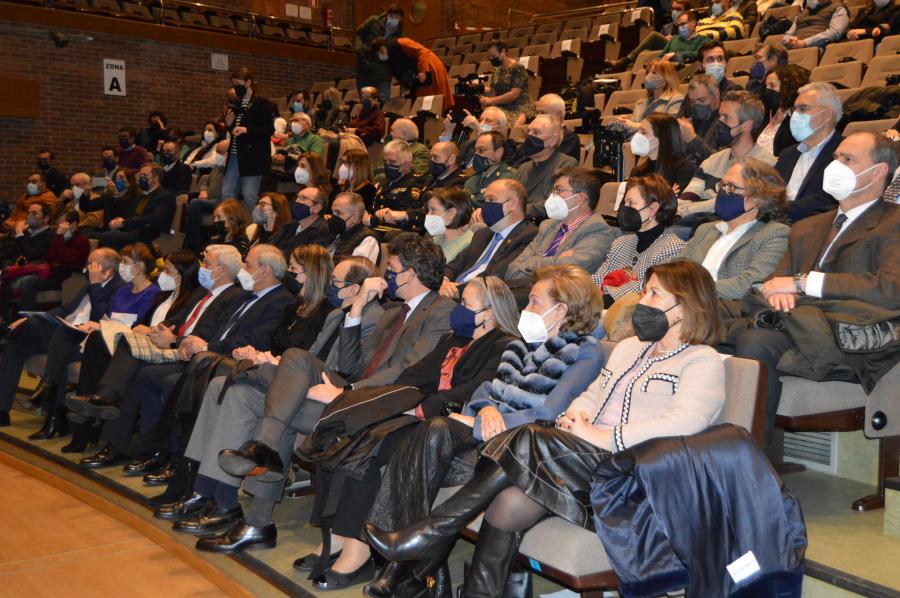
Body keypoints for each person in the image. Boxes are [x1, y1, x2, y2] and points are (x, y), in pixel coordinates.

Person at [365, 260, 726, 596]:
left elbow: (683, 423)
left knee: (530, 434)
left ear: (685, 305)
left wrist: (598, 435)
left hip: (633, 473)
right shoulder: (630, 348)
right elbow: (592, 394)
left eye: (654, 294)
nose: (643, 301)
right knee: (508, 502)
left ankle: (431, 531)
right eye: (645, 291)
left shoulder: (702, 361)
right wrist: (578, 418)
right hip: (579, 459)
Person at [197, 235, 456, 554]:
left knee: (281, 407)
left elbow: (407, 369)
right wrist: (357, 308)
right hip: (353, 396)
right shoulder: (393, 313)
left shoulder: (441, 311)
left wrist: (346, 393)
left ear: (411, 273)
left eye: (391, 268)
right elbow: (353, 364)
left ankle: (258, 520)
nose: (386, 274)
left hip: (378, 408)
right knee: (294, 357)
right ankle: (263, 451)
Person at [364, 264, 609, 595]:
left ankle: (403, 574)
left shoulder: (585, 351)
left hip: (521, 452)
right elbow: (484, 391)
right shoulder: (521, 344)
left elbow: (550, 412)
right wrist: (490, 408)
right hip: (489, 437)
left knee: (434, 435)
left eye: (534, 301)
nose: (525, 310)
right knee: (433, 429)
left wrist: (486, 423)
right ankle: (411, 573)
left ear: (561, 310)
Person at [299, 277, 519, 589]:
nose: (459, 311)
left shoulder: (503, 345)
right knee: (355, 436)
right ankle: (337, 534)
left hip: (451, 426)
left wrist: (418, 408)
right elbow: (415, 375)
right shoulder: (454, 339)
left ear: (489, 313)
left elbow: (473, 390)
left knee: (374, 448)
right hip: (417, 413)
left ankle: (359, 551)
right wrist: (402, 400)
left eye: (467, 305)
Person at [161, 256, 382, 547]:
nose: (329, 286)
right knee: (224, 386)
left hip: (331, 396)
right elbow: (313, 356)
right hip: (303, 385)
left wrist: (355, 311)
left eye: (336, 283)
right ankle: (211, 494)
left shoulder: (375, 317)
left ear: (356, 289)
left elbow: (350, 368)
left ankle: (248, 488)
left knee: (259, 380)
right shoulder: (333, 315)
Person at [731, 132, 899, 450]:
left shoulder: (894, 223)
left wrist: (803, 283)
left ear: (878, 172)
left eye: (848, 160)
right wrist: (778, 291)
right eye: (835, 157)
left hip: (848, 335)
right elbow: (776, 282)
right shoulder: (807, 226)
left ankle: (750, 469)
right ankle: (700, 453)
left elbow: (891, 288)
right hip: (792, 323)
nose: (835, 165)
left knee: (756, 340)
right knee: (702, 322)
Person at [72, 244, 296, 470]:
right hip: (201, 351)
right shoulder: (244, 295)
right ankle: (126, 440)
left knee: (160, 377)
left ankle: (168, 454)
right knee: (141, 369)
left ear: (265, 271)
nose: (244, 269)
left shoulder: (279, 300)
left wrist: (195, 344)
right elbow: (212, 325)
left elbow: (256, 339)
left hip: (225, 362)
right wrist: (182, 339)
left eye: (248, 265)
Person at [27, 242, 160, 440]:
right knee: (64, 341)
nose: (121, 266)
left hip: (123, 345)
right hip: (102, 337)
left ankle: (53, 399)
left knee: (69, 352)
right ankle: (59, 414)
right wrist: (99, 325)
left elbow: (137, 324)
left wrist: (96, 288)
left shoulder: (151, 292)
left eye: (125, 262)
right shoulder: (124, 291)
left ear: (139, 266)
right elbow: (106, 317)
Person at [0, 248, 124, 427]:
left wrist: (96, 285)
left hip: (81, 341)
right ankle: (3, 412)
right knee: (16, 346)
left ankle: (6, 332)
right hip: (62, 332)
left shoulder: (118, 289)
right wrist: (30, 316)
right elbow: (67, 310)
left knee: (26, 331)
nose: (87, 268)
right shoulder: (88, 284)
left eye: (93, 265)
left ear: (109, 271)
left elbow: (101, 318)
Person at [680, 159, 790, 300]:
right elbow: (676, 267)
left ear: (758, 198)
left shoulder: (775, 234)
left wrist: (688, 290)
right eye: (721, 185)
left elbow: (748, 285)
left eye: (731, 188)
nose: (722, 192)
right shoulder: (706, 229)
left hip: (720, 311)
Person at [506, 168, 618, 285]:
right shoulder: (548, 226)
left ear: (580, 198)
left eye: (558, 190)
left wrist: (532, 262)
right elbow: (512, 270)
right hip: (528, 288)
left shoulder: (599, 229)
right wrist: (557, 259)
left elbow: (568, 270)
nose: (552, 195)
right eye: (553, 190)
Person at [679, 91, 775, 219]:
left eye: (726, 117)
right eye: (719, 116)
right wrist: (680, 209)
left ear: (746, 125)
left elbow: (728, 204)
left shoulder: (764, 164)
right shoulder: (713, 160)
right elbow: (689, 195)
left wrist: (686, 210)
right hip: (693, 223)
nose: (719, 122)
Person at [594, 174, 685, 307]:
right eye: (624, 203)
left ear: (653, 209)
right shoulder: (621, 243)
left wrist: (598, 300)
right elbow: (599, 277)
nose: (624, 208)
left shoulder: (672, 247)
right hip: (601, 307)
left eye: (631, 203)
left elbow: (643, 287)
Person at [442, 179, 537, 298]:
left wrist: (456, 290)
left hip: (482, 299)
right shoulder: (482, 234)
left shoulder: (529, 235)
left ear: (512, 204)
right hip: (451, 292)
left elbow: (497, 276)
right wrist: (444, 281)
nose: (485, 206)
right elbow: (454, 265)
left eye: (491, 200)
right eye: (485, 200)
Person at [775, 82, 845, 222]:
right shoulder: (787, 155)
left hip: (811, 231)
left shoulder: (844, 153)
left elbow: (829, 200)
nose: (795, 115)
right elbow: (769, 191)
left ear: (827, 115)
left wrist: (777, 210)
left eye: (802, 108)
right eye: (794, 109)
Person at [4, 209, 90, 315]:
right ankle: (6, 318)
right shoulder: (57, 237)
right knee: (11, 276)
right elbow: (49, 257)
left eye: (62, 224)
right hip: (47, 273)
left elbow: (67, 259)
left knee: (28, 281)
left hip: (63, 278)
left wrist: (59, 237)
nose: (58, 228)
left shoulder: (82, 241)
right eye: (58, 225)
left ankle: (26, 318)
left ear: (73, 224)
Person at [90, 163, 176, 250]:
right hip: (132, 231)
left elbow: (155, 218)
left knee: (108, 236)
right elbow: (129, 213)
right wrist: (118, 221)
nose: (141, 178)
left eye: (145, 175)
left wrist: (124, 223)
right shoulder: (141, 195)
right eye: (140, 175)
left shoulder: (165, 196)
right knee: (88, 234)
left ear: (156, 178)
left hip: (148, 235)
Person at [223, 67, 275, 212]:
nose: (236, 87)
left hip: (253, 157)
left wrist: (247, 129)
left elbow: (269, 130)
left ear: (248, 82)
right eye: (234, 84)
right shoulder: (236, 104)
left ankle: (262, 227)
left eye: (238, 83)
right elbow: (235, 130)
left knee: (249, 196)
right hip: (234, 155)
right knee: (227, 193)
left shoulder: (261, 103)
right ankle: (231, 230)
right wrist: (229, 125)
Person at [513, 115, 579, 220]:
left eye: (536, 132)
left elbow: (556, 202)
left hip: (544, 223)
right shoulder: (523, 168)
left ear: (552, 140)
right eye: (529, 131)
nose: (529, 136)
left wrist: (517, 211)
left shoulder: (567, 164)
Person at [606, 10, 709, 70]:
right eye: (678, 25)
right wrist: (654, 63)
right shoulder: (674, 39)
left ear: (693, 23)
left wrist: (678, 54)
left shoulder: (703, 40)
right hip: (667, 71)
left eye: (683, 24)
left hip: (685, 69)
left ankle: (625, 62)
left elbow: (699, 54)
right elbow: (660, 56)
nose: (680, 28)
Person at [631, 113, 697, 192]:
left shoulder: (683, 169)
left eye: (644, 132)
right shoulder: (637, 172)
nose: (637, 136)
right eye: (638, 131)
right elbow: (625, 203)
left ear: (662, 137)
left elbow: (680, 202)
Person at [757, 64, 811, 157]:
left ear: (789, 88)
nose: (767, 90)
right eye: (766, 86)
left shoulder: (798, 118)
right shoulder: (764, 115)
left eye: (772, 86)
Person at [385, 37, 455, 108]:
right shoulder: (387, 60)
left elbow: (422, 51)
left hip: (428, 65)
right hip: (416, 75)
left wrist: (422, 70)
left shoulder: (401, 42)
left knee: (435, 101)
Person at [510, 94, 581, 164]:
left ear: (558, 115)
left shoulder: (570, 139)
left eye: (542, 112)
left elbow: (551, 166)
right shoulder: (533, 134)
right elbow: (515, 157)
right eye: (537, 113)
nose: (538, 116)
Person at [185, 140, 230, 251]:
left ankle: (194, 243)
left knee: (195, 203)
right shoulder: (217, 166)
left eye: (220, 151)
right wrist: (203, 191)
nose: (217, 154)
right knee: (190, 202)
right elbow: (206, 183)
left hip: (221, 201)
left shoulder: (232, 169)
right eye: (217, 151)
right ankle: (189, 239)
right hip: (209, 198)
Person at [353, 4, 404, 102]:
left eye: (397, 19)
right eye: (391, 17)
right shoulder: (373, 21)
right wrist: (360, 49)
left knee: (382, 104)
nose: (393, 21)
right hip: (364, 71)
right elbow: (358, 33)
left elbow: (398, 57)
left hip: (383, 75)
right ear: (387, 15)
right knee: (365, 104)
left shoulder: (400, 36)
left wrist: (387, 54)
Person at [267, 187, 334, 260]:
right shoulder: (288, 226)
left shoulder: (324, 232)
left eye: (304, 198)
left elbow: (303, 260)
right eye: (297, 197)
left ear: (317, 208)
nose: (297, 201)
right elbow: (268, 248)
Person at [616, 60, 685, 131]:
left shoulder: (677, 100)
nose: (648, 76)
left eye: (654, 73)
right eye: (648, 72)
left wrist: (634, 125)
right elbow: (632, 128)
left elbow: (670, 127)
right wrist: (624, 123)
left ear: (667, 77)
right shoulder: (641, 103)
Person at [370, 141, 425, 225]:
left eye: (392, 162)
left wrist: (371, 221)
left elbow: (402, 216)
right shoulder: (384, 182)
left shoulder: (416, 183)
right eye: (386, 161)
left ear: (407, 164)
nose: (387, 165)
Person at [482, 41, 536, 125]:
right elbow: (493, 91)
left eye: (493, 56)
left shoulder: (517, 68)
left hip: (519, 106)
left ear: (503, 52)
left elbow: (514, 94)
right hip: (502, 106)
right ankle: (486, 134)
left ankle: (500, 136)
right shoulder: (497, 70)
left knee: (500, 123)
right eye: (490, 57)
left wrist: (491, 101)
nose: (491, 59)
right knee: (487, 120)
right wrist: (482, 90)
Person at [678, 74, 725, 166]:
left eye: (701, 100)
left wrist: (693, 140)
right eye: (692, 102)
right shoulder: (689, 122)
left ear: (716, 95)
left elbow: (721, 164)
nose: (696, 106)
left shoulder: (727, 122)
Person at [421, 187, 477, 262]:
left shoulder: (469, 243)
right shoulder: (435, 240)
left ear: (451, 213)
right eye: (428, 210)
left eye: (433, 210)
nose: (428, 215)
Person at [463, 131, 516, 208]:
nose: (476, 154)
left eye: (481, 149)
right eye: (475, 150)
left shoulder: (510, 179)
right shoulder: (471, 180)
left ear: (498, 153)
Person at [326, 191, 380, 264]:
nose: (333, 217)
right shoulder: (337, 233)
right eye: (333, 212)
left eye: (338, 213)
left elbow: (356, 273)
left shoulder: (368, 240)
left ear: (354, 217)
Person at [0, 201, 55, 269]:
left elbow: (30, 255)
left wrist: (19, 234)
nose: (29, 216)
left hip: (30, 269)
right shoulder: (28, 231)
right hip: (12, 264)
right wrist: (13, 234)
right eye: (28, 213)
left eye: (34, 213)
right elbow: (11, 251)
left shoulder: (49, 236)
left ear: (46, 218)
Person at [783, 0, 850, 49]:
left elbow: (834, 32)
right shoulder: (802, 13)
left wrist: (805, 43)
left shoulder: (838, 8)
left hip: (817, 47)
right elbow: (788, 34)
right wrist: (789, 40)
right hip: (794, 47)